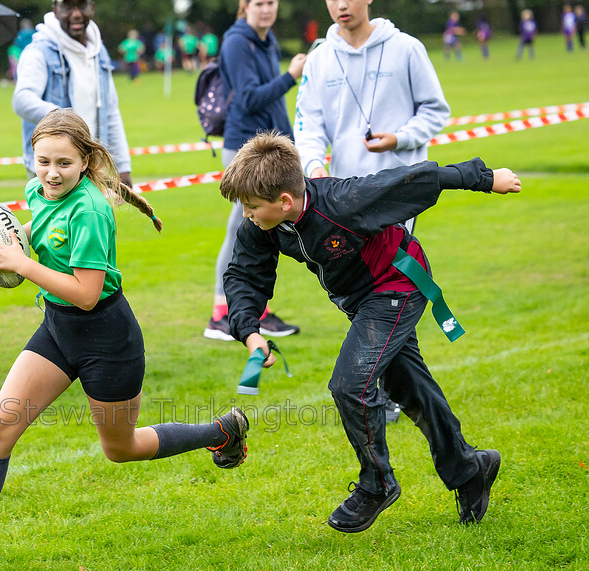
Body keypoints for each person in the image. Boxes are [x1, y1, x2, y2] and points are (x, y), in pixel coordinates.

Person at [0, 109, 250, 571]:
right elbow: (44, 234)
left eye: (64, 164)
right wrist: (6, 238)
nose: (51, 174)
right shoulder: (38, 190)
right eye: (43, 161)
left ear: (85, 162)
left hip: (106, 340)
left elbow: (87, 294)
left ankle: (221, 432)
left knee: (121, 448)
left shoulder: (91, 210)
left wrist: (23, 263)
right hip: (58, 328)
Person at [221, 132, 521, 533]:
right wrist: (250, 332)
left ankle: (376, 484)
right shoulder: (264, 223)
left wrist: (485, 178)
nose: (248, 215)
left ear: (285, 202)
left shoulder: (344, 201)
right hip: (362, 300)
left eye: (252, 207)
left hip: (398, 282)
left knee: (350, 385)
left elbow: (413, 180)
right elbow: (244, 273)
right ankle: (470, 470)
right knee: (409, 387)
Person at [294, 0, 449, 423]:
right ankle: (395, 389)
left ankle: (383, 388)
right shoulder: (320, 58)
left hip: (398, 191)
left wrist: (399, 138)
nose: (341, 5)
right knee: (370, 292)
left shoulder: (406, 48)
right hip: (341, 200)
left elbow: (436, 111)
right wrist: (314, 169)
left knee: (391, 285)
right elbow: (306, 122)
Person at [204, 0, 306, 342]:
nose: (266, 9)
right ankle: (222, 312)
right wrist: (290, 76)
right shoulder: (236, 42)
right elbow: (249, 99)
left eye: (272, 2)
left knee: (259, 231)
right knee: (240, 228)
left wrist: (291, 145)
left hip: (268, 148)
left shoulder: (266, 39)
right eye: (259, 3)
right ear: (244, 6)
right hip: (243, 149)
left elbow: (273, 103)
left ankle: (254, 310)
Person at [12, 0, 133, 188]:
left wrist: (122, 166)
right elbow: (21, 100)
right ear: (55, 10)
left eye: (82, 5)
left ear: (92, 7)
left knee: (94, 218)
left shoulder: (98, 51)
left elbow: (111, 111)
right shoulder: (38, 51)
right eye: (68, 6)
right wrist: (61, 117)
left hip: (90, 164)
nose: (76, 14)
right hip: (53, 169)